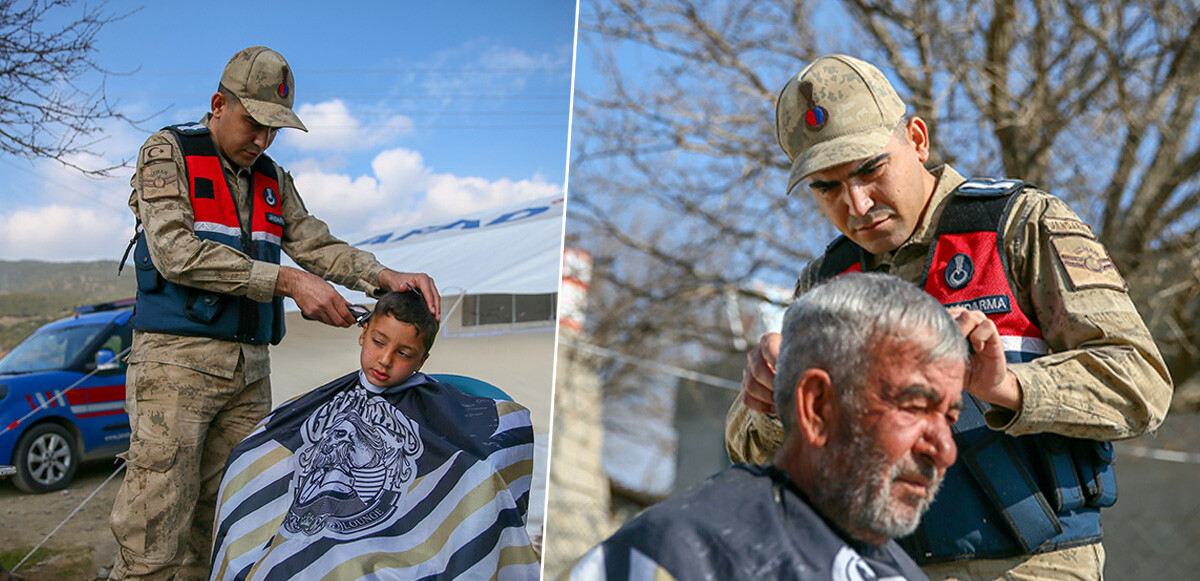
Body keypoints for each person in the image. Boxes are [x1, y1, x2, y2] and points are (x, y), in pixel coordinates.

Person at [726, 54, 1174, 579]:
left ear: (917, 139)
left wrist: (1009, 387)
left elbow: (1141, 382)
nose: (858, 203)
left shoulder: (1020, 226)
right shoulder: (824, 283)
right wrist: (768, 408)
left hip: (1029, 566)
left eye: (870, 169)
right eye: (826, 188)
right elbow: (756, 460)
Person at [111, 46, 441, 581]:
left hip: (249, 372)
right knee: (153, 528)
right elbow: (175, 251)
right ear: (218, 104)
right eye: (254, 124)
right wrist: (285, 280)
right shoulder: (168, 152)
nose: (263, 140)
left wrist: (382, 276)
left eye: (275, 130)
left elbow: (314, 244)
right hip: (175, 369)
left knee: (230, 523)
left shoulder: (272, 178)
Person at [559, 273, 966, 581]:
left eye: (950, 416)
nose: (945, 450)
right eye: (915, 408)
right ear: (817, 407)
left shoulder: (903, 571)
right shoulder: (682, 554)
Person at [210, 289, 538, 580]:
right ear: (363, 334)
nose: (385, 359)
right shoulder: (323, 402)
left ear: (422, 360)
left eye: (404, 353)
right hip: (306, 524)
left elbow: (502, 437)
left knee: (350, 566)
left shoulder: (441, 409)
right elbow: (269, 444)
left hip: (392, 537)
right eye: (379, 342)